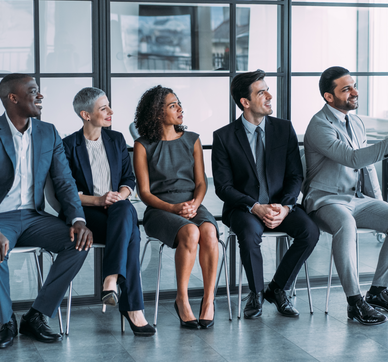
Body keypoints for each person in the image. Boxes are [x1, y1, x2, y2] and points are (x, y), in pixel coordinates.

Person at [0, 73, 93, 349]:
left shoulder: (48, 132)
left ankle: (37, 315)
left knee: (79, 243)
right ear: (13, 98)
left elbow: (64, 181)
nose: (40, 95)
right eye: (33, 91)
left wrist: (78, 219)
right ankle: (7, 321)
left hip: (33, 218)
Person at [302, 66, 388, 326]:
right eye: (346, 89)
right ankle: (355, 302)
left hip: (356, 199)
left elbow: (366, 167)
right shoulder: (318, 125)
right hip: (326, 199)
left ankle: (379, 290)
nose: (355, 92)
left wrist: (379, 203)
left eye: (354, 86)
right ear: (328, 97)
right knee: (345, 225)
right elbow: (353, 158)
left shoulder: (356, 122)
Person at [212, 70, 319, 319]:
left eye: (268, 89)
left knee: (310, 231)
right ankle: (256, 293)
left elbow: (295, 176)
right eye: (262, 92)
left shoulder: (284, 129)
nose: (270, 96)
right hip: (244, 208)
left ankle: (278, 288)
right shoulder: (224, 137)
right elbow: (223, 187)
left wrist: (285, 207)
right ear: (245, 102)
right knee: (249, 235)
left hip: (281, 205)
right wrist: (254, 206)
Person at [62, 87, 155, 336]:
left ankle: (111, 280)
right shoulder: (68, 146)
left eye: (109, 106)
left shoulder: (116, 141)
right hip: (87, 214)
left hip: (117, 210)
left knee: (125, 210)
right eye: (104, 108)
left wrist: (119, 195)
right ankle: (133, 308)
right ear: (86, 114)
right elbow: (68, 193)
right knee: (131, 233)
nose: (111, 112)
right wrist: (100, 199)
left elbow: (128, 179)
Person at [132, 86, 220, 329]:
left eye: (179, 103)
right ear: (157, 113)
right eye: (173, 106)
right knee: (191, 232)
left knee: (210, 232)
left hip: (192, 204)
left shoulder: (193, 139)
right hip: (160, 209)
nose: (180, 109)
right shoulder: (142, 145)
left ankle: (208, 300)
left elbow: (201, 182)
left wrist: (195, 204)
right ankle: (182, 299)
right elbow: (145, 193)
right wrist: (173, 208)